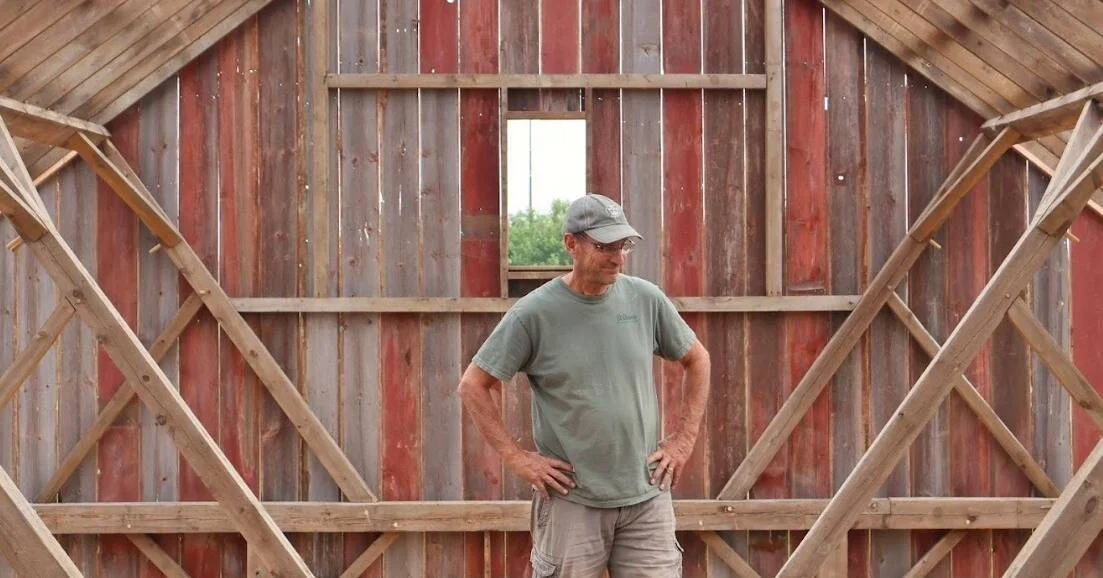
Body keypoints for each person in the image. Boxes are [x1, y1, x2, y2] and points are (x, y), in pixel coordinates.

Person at [457, 193, 711, 577]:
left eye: (622, 245)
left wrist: (684, 438)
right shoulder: (534, 313)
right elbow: (473, 385)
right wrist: (518, 459)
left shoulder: (644, 299)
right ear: (571, 244)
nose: (617, 256)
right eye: (604, 246)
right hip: (572, 502)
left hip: (647, 498)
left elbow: (698, 359)